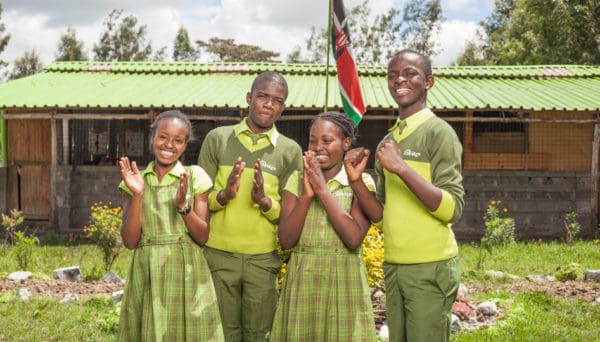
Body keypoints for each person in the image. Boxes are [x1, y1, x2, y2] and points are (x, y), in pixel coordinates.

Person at [346, 49, 464, 342]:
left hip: (430, 265)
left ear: (429, 82)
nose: (399, 79)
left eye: (410, 73)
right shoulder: (389, 141)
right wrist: (356, 181)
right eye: (393, 75)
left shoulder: (439, 133)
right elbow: (382, 218)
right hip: (396, 266)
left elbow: (452, 208)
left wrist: (401, 168)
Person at [198, 71, 303, 341]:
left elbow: (289, 214)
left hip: (262, 258)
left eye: (277, 100)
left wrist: (265, 202)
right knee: (221, 332)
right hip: (219, 255)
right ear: (249, 98)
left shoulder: (290, 151)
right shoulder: (218, 139)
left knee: (260, 333)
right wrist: (224, 195)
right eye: (263, 96)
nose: (268, 104)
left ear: (283, 108)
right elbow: (199, 199)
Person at [117, 110, 224, 341]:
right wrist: (137, 195)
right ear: (152, 138)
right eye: (163, 137)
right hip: (148, 271)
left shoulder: (195, 176)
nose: (169, 145)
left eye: (178, 140)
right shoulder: (136, 179)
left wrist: (183, 206)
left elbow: (202, 236)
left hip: (187, 271)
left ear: (185, 145)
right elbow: (130, 240)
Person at [270, 111, 377, 341]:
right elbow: (287, 241)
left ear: (346, 143)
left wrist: (321, 189)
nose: (318, 147)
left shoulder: (361, 181)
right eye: (312, 140)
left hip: (344, 276)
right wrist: (307, 196)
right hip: (303, 274)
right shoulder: (296, 179)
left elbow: (353, 238)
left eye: (327, 140)